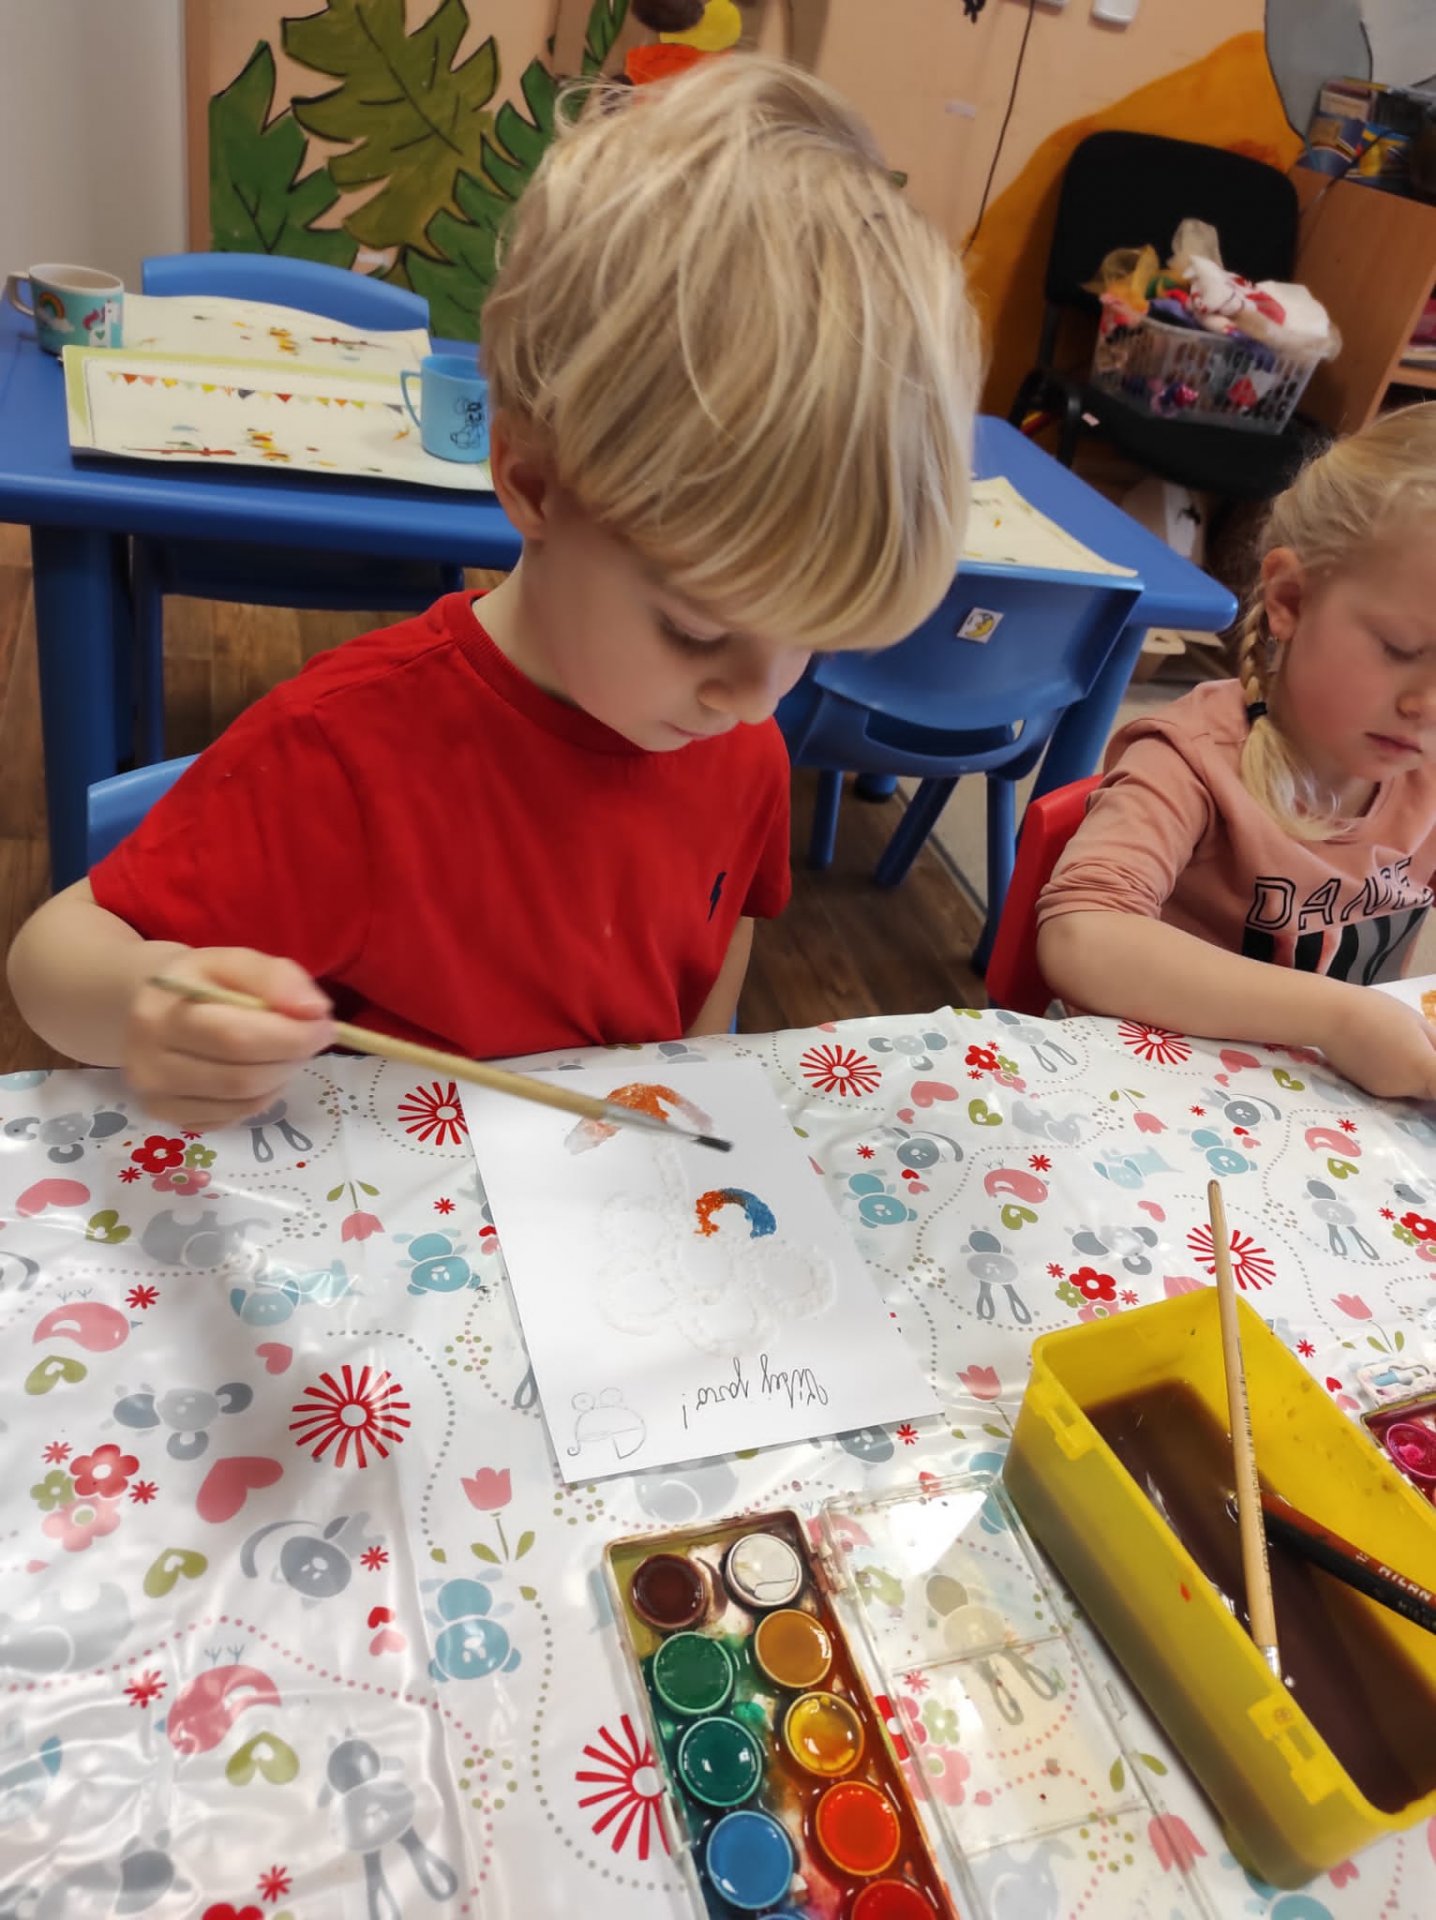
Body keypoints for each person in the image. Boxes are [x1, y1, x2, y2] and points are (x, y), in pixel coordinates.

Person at [7, 56, 980, 1129]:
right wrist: (147, 1005)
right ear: (532, 484)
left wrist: (697, 1071)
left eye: (810, 643)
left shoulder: (739, 741)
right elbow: (53, 959)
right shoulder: (350, 755)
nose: (756, 696)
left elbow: (727, 925)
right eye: (695, 629)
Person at [1037, 403, 1436, 1102]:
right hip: (1139, 1099)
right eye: (1400, 650)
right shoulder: (1192, 759)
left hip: (1321, 1117)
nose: (1426, 705)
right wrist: (1339, 1018)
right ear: (1290, 600)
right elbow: (1081, 935)